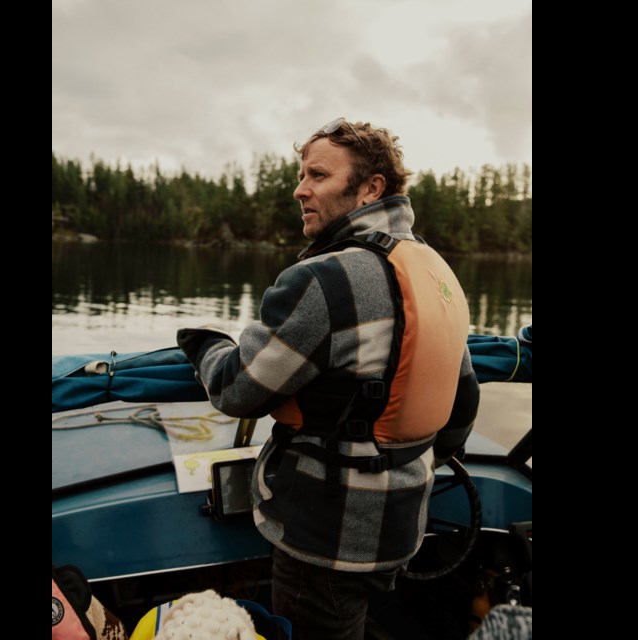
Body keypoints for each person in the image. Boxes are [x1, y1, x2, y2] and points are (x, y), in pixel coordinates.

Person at [177, 118, 477, 639]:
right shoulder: (435, 270)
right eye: (301, 174)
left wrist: (204, 343)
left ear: (370, 188)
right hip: (403, 523)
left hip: (325, 539)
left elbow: (235, 389)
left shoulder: (324, 278)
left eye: (317, 175)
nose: (300, 189)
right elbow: (462, 405)